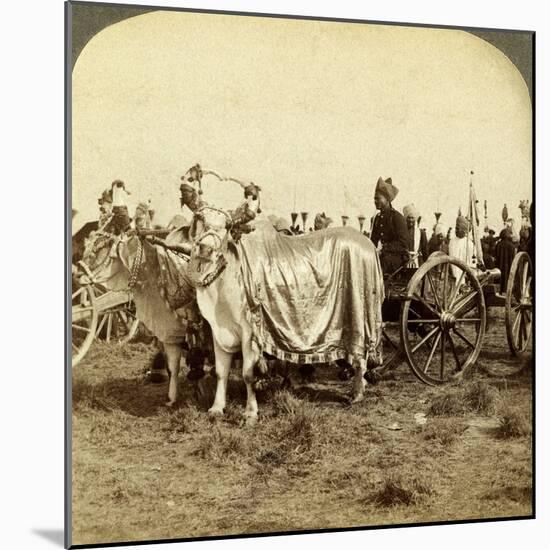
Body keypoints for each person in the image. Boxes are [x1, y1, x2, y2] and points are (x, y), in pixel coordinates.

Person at [370, 177, 409, 274]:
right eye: (374, 199)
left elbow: (403, 244)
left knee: (381, 263)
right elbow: (373, 241)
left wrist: (384, 248)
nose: (375, 201)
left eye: (378, 198)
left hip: (398, 258)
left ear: (387, 199)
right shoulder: (377, 218)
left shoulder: (397, 218)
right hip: (384, 255)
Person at [448, 215, 476, 280]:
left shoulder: (469, 244)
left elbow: (472, 263)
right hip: (452, 273)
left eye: (458, 228)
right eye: (456, 228)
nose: (456, 230)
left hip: (463, 275)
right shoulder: (452, 241)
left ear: (464, 230)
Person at [495, 228, 517, 293]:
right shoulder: (511, 246)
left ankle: (500, 291)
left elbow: (496, 255)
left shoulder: (498, 244)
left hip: (499, 265)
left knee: (500, 278)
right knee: (507, 278)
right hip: (509, 265)